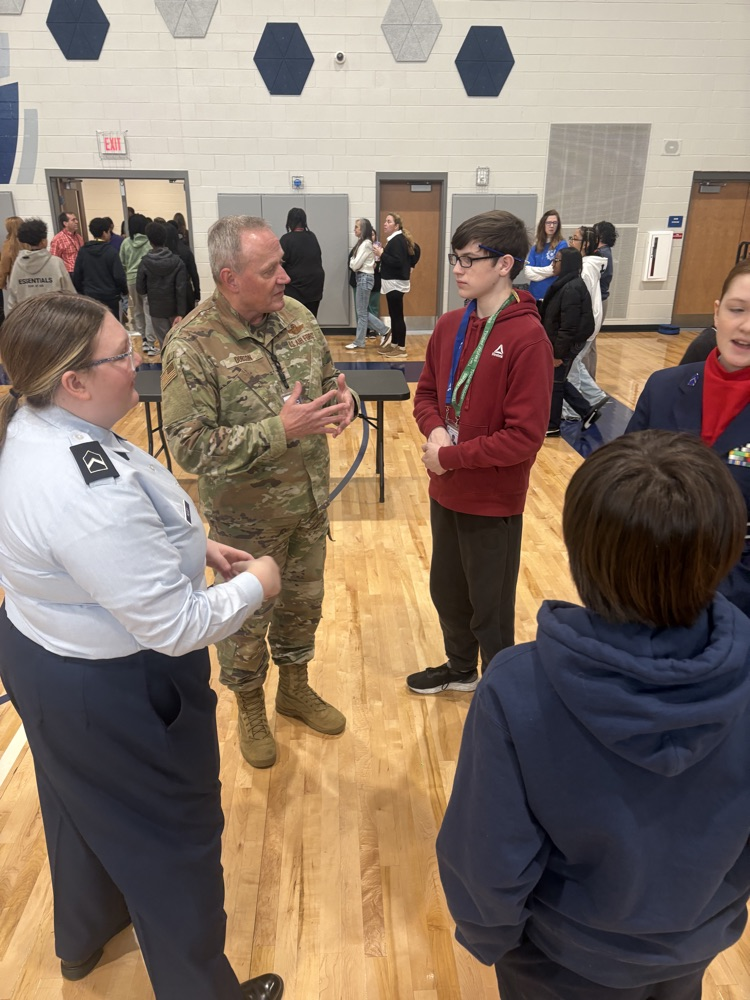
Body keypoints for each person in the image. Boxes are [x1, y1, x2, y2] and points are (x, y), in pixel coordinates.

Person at [0, 292, 284, 1000]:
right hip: (116, 686)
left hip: (47, 656)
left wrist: (190, 547)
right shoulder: (81, 491)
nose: (138, 363)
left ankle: (85, 935)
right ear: (74, 380)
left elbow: (113, 553)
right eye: (122, 354)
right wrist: (260, 587)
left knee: (78, 806)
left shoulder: (38, 425)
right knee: (173, 844)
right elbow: (176, 625)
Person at [437, 429, 750, 1000]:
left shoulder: (516, 690)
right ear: (727, 549)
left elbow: (487, 859)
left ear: (579, 552)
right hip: (695, 946)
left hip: (559, 962)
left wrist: (494, 939)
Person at [161, 215, 357, 769]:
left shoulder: (296, 319)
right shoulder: (192, 345)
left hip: (308, 506)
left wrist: (341, 404)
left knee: (302, 607)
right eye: (270, 270)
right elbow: (189, 447)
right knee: (245, 623)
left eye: (282, 266)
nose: (286, 279)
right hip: (245, 524)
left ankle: (294, 689)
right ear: (230, 277)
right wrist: (281, 430)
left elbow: (324, 382)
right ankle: (250, 705)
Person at [407, 210, 553, 695]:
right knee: (448, 591)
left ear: (505, 263)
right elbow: (426, 394)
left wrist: (450, 456)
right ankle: (460, 668)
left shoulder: (527, 337)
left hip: (492, 498)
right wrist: (437, 433)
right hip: (445, 488)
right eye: (455, 258)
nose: (457, 269)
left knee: (490, 605)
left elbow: (524, 437)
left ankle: (502, 692)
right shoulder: (450, 326)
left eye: (470, 260)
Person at [626, 258, 750, 616]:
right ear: (716, 312)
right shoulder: (663, 387)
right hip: (647, 582)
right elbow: (624, 481)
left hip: (737, 598)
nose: (744, 327)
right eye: (736, 309)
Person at [540, 247, 605, 437]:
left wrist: (558, 354)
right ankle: (587, 411)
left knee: (555, 383)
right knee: (558, 380)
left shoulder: (572, 288)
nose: (553, 264)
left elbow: (568, 327)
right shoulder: (565, 284)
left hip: (564, 346)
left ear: (567, 263)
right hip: (560, 343)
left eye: (557, 260)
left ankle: (552, 426)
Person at [563, 225, 610, 411]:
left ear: (586, 244)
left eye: (574, 238)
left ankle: (572, 410)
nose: (571, 242)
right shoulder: (587, 265)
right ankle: (596, 396)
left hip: (584, 324)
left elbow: (582, 301)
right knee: (576, 362)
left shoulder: (586, 268)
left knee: (571, 366)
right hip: (588, 322)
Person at [135, 221, 187, 353]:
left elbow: (140, 288)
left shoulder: (145, 262)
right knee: (178, 344)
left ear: (149, 240)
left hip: (156, 310)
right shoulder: (178, 262)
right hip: (175, 311)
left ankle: (168, 372)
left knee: (165, 345)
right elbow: (182, 289)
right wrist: (181, 313)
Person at [375, 211, 418, 359]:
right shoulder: (396, 239)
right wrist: (411, 265)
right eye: (385, 221)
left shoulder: (398, 240)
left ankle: (401, 347)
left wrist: (382, 254)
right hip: (391, 282)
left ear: (396, 225)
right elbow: (413, 252)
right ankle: (394, 343)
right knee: (394, 315)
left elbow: (397, 261)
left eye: (389, 221)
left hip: (396, 283)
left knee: (398, 316)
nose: (385, 224)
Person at [5, 218, 74, 310]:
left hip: (27, 317)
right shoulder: (56, 262)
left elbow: (13, 296)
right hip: (54, 317)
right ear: (43, 241)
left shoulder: (18, 263)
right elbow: (70, 293)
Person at [346, 217, 390, 349]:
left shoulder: (365, 244)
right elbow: (353, 263)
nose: (355, 229)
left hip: (364, 278)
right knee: (362, 311)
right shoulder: (362, 243)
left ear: (363, 229)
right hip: (362, 277)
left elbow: (354, 265)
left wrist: (353, 262)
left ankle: (384, 330)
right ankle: (361, 340)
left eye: (357, 227)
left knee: (362, 312)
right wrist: (353, 262)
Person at [72, 217, 128, 318]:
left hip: (91, 297)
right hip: (111, 297)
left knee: (94, 327)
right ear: (104, 233)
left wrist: (83, 292)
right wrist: (124, 291)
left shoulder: (83, 251)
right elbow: (119, 276)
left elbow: (77, 276)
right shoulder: (111, 251)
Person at [278, 207, 325, 316]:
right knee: (311, 319)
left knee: (295, 321)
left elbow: (279, 264)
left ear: (289, 221)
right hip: (315, 286)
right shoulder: (312, 236)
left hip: (295, 288)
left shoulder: (286, 239)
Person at [590, 219, 619, 375]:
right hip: (601, 300)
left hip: (598, 300)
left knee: (588, 342)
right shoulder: (604, 252)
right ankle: (589, 379)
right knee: (591, 342)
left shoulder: (601, 254)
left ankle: (587, 382)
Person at [523, 209, 567, 307]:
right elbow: (527, 272)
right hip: (534, 294)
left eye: (555, 223)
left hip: (551, 294)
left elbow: (554, 270)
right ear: (543, 224)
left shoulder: (562, 245)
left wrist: (535, 270)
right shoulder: (536, 246)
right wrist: (545, 272)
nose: (551, 226)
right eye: (548, 223)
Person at [119, 212, 151, 343]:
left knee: (137, 309)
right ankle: (151, 337)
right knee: (148, 308)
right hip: (148, 278)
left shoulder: (126, 243)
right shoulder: (149, 242)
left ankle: (141, 335)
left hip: (132, 279)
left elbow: (122, 262)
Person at [166, 219, 201, 313]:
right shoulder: (185, 250)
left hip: (170, 295)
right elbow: (194, 274)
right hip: (186, 291)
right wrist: (197, 293)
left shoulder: (165, 254)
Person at [0, 216, 23, 319]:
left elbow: (4, 265)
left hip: (15, 279)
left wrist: (2, 282)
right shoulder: (29, 241)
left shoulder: (8, 245)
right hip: (32, 278)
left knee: (18, 307)